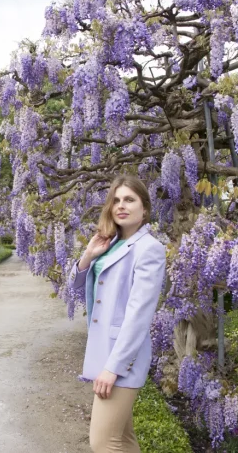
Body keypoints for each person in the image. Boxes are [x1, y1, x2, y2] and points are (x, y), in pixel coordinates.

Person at [68, 174, 167, 453]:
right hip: (104, 351)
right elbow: (76, 285)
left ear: (144, 209)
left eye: (130, 200)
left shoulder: (149, 249)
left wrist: (113, 368)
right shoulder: (110, 244)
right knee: (122, 440)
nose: (121, 206)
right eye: (116, 200)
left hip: (123, 358)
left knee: (103, 443)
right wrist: (88, 254)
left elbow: (139, 315)